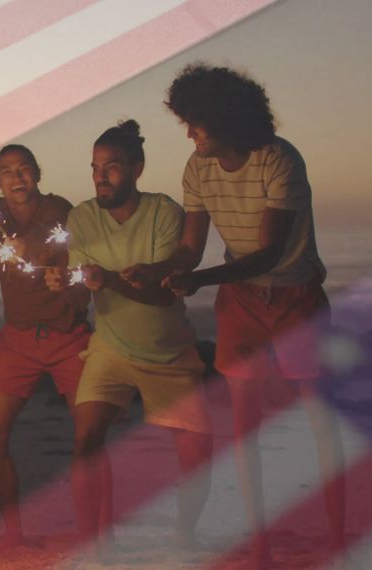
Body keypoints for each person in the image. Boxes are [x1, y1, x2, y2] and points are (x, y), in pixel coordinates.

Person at [125, 63, 345, 568]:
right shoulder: (197, 167)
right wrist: (159, 269)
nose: (189, 132)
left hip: (296, 299)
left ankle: (337, 542)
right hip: (241, 300)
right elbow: (189, 248)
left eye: (196, 121)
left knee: (320, 423)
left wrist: (200, 280)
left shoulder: (280, 161)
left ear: (226, 117)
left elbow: (269, 254)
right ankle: (261, 547)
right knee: (244, 430)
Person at [46, 120, 213, 559]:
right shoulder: (82, 216)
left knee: (196, 449)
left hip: (167, 352)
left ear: (137, 168)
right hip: (111, 348)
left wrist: (107, 282)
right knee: (86, 438)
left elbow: (161, 295)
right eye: (96, 167)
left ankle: (184, 536)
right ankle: (94, 545)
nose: (101, 176)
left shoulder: (163, 213)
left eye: (113, 167)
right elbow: (82, 290)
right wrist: (62, 286)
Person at [0, 144, 90, 545]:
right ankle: (13, 532)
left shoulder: (59, 208)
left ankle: (93, 531)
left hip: (68, 337)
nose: (16, 177)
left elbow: (51, 243)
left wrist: (29, 249)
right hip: (17, 341)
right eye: (7, 171)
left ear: (37, 172)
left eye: (24, 169)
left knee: (89, 437)